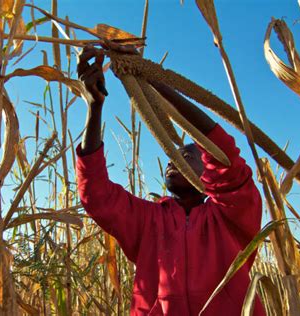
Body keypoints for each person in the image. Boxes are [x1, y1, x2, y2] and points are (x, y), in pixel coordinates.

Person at [75, 45, 265, 315]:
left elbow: (225, 158)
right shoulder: (147, 220)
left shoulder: (232, 216)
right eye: (170, 155)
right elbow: (95, 194)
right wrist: (94, 108)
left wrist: (151, 77)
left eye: (187, 154)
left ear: (207, 163)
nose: (172, 160)